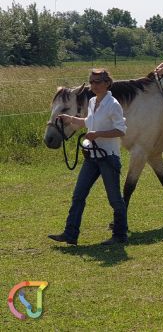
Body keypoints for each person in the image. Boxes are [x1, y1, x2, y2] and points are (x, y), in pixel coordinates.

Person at [48, 69, 128, 246]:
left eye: (98, 82)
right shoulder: (92, 102)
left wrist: (97, 134)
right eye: (91, 82)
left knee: (114, 199)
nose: (94, 85)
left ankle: (120, 235)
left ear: (107, 83)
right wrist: (71, 119)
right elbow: (89, 122)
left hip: (108, 157)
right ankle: (70, 234)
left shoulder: (113, 104)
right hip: (92, 156)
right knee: (78, 195)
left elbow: (121, 130)